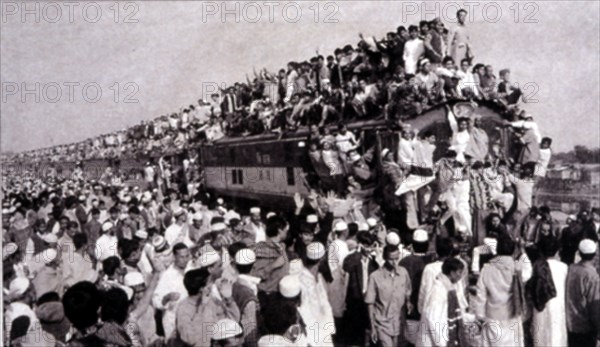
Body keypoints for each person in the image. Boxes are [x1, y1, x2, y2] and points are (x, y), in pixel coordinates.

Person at [473, 235, 531, 347]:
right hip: (512, 314)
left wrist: (480, 316)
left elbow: (481, 295)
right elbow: (528, 271)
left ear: (497, 250)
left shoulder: (487, 268)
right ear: (513, 250)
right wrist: (523, 252)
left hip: (492, 316)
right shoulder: (517, 268)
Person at [174, 267, 240, 346]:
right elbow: (190, 338)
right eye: (210, 282)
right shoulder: (184, 308)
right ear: (202, 289)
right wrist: (202, 307)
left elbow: (232, 321)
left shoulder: (211, 300)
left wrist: (228, 299)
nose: (212, 285)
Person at [417, 258, 472, 347]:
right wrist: (442, 343)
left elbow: (457, 312)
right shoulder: (438, 291)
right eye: (459, 272)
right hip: (435, 340)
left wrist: (473, 319)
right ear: (452, 273)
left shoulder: (449, 288)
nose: (461, 276)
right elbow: (433, 320)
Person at [365, 244, 412, 347]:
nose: (395, 262)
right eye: (391, 259)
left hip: (398, 323)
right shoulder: (375, 277)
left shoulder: (403, 273)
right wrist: (372, 328)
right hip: (382, 324)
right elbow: (370, 304)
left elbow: (407, 290)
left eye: (397, 258)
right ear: (385, 258)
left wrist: (408, 301)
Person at [527, 237, 568, 347]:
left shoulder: (536, 266)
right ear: (557, 251)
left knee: (541, 335)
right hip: (559, 307)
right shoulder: (564, 267)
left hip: (541, 306)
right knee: (557, 336)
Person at [342, 231, 379, 346]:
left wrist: (377, 255)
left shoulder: (374, 261)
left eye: (370, 245)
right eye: (366, 245)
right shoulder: (351, 259)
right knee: (355, 333)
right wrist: (343, 301)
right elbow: (345, 281)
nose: (368, 249)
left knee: (368, 331)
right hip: (355, 300)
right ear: (360, 244)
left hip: (369, 300)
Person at [298, 242, 336, 346]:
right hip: (311, 330)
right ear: (322, 259)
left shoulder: (319, 276)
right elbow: (303, 308)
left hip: (324, 327)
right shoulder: (302, 279)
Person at [152, 242, 191, 339]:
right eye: (182, 257)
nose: (185, 260)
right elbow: (156, 301)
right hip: (173, 322)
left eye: (187, 256)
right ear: (174, 257)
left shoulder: (191, 270)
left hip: (191, 319)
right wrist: (167, 297)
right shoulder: (167, 276)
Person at [565, 239, 600, 346]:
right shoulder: (592, 276)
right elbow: (594, 307)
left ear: (579, 253)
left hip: (570, 323)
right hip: (585, 327)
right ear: (595, 254)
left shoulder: (571, 269)